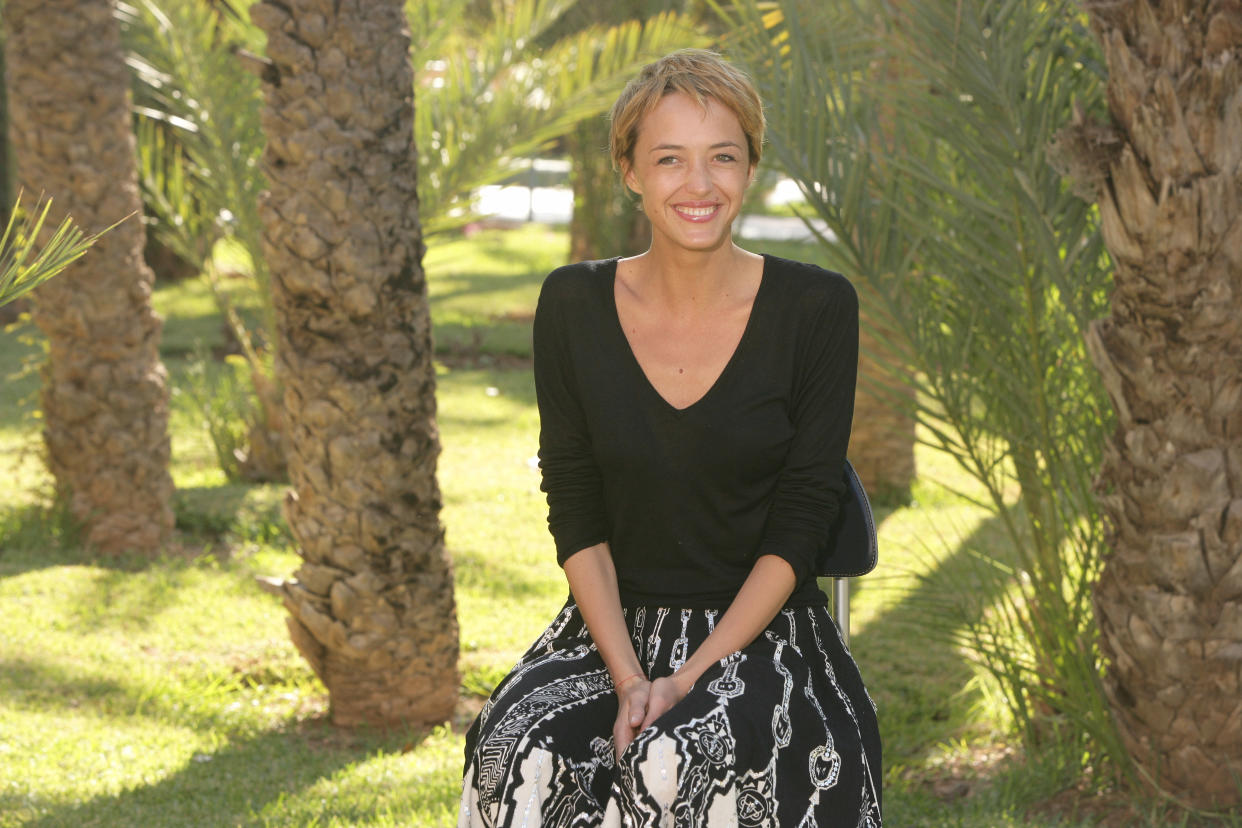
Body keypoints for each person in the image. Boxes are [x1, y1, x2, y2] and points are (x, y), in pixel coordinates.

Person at [459, 49, 882, 827]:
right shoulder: (572, 305)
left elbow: (804, 514)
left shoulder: (817, 309)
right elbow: (575, 506)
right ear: (630, 170)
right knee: (512, 749)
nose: (699, 185)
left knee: (673, 762)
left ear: (750, 166)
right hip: (607, 631)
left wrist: (689, 678)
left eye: (722, 156)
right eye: (669, 159)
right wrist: (629, 678)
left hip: (767, 639)